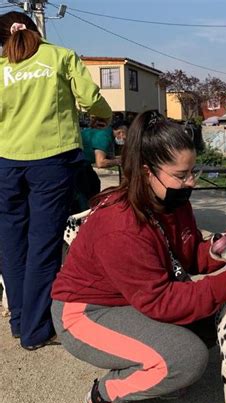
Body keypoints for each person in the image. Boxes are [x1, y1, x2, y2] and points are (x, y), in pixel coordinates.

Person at [51, 111, 226, 403]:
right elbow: (161, 302)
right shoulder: (121, 226)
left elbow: (185, 256)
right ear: (146, 171)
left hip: (130, 298)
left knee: (212, 317)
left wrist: (225, 252)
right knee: (187, 359)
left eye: (192, 172)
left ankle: (158, 369)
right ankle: (104, 395)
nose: (192, 182)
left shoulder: (172, 202)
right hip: (85, 313)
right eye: (182, 175)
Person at [0, 11, 112, 350]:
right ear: (34, 29)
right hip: (51, 160)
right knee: (43, 245)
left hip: (5, 163)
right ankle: (35, 330)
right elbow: (91, 99)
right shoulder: (60, 57)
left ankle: (19, 321)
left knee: (11, 244)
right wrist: (104, 117)